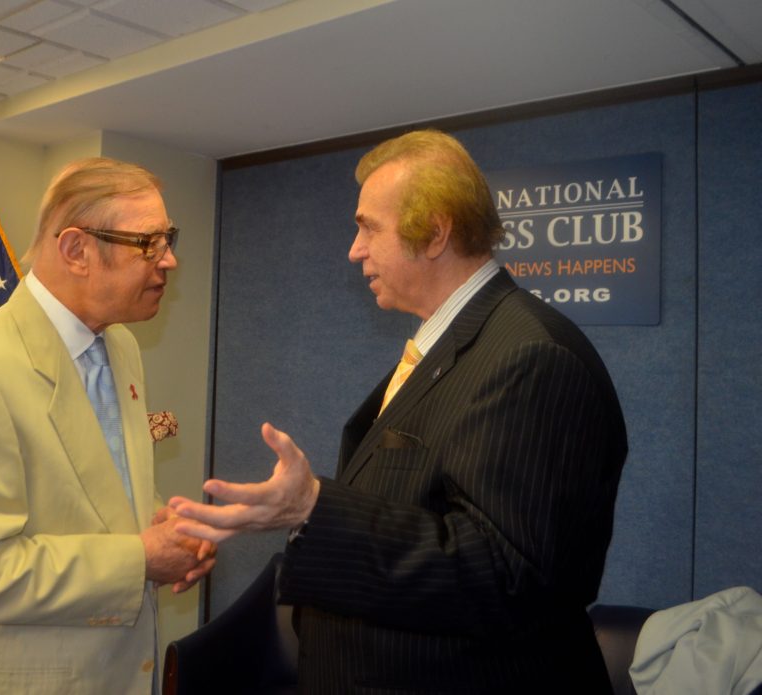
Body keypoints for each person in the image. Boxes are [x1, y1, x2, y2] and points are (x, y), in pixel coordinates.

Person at [171, 130, 628, 693]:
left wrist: (315, 508)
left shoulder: (531, 356)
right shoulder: (450, 343)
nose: (354, 249)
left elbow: (506, 577)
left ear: (435, 233)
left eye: (367, 227)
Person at [0, 157, 214, 695]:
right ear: (76, 250)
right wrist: (142, 557)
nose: (170, 260)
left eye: (168, 238)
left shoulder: (120, 347)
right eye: (148, 243)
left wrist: (168, 527)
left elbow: (94, 498)